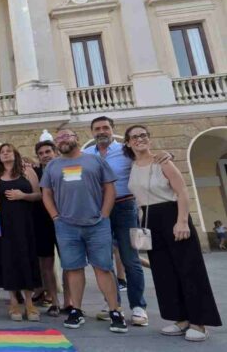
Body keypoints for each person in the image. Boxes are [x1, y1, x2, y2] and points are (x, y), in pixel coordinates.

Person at [125, 125, 222, 342]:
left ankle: (199, 322)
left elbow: (182, 191)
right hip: (150, 219)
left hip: (172, 214)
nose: (140, 139)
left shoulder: (163, 162)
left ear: (149, 139)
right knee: (163, 272)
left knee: (189, 269)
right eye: (134, 137)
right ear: (129, 143)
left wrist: (182, 221)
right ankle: (180, 319)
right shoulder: (131, 166)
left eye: (143, 135)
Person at [40, 128, 126, 333]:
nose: (62, 140)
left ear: (76, 138)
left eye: (66, 136)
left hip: (97, 225)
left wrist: (104, 215)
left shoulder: (95, 161)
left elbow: (109, 189)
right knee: (73, 268)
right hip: (67, 227)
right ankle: (76, 310)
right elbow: (47, 194)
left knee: (103, 268)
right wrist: (55, 217)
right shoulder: (52, 166)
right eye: (58, 138)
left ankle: (115, 310)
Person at [85, 116, 151, 326]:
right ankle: (113, 304)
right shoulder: (87, 154)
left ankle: (138, 307)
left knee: (130, 259)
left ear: (112, 130)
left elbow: (146, 161)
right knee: (104, 261)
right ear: (92, 132)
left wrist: (163, 156)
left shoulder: (125, 150)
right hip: (99, 211)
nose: (101, 131)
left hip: (125, 207)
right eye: (97, 129)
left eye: (105, 127)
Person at [0, 144, 43, 321]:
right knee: (9, 261)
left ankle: (29, 302)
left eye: (8, 151)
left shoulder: (27, 172)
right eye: (2, 152)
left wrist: (23, 196)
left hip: (25, 224)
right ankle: (13, 301)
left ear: (15, 154)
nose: (5, 154)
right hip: (4, 226)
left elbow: (39, 195)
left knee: (26, 259)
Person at [34, 140, 68, 316]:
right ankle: (54, 301)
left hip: (65, 220)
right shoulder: (34, 172)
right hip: (42, 223)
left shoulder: (65, 168)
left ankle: (70, 302)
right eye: (41, 153)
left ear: (55, 152)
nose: (45, 155)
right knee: (46, 264)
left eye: (48, 151)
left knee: (69, 263)